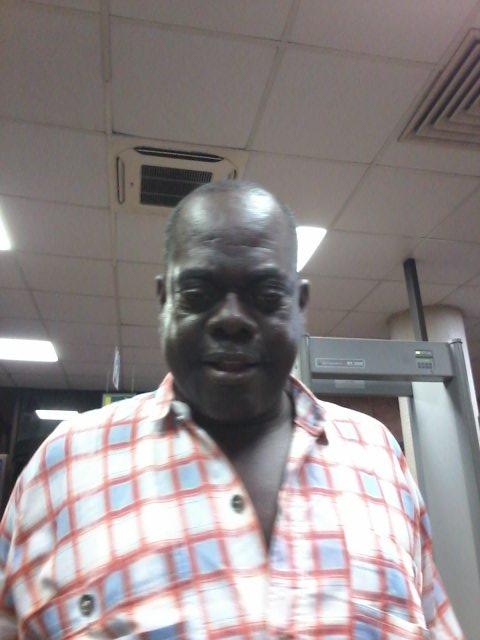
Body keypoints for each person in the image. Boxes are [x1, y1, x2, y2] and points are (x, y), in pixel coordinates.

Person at [0, 181, 463, 639]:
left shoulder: (378, 456)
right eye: (198, 293)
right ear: (163, 301)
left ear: (300, 306)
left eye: (266, 295)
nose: (232, 320)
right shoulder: (63, 467)